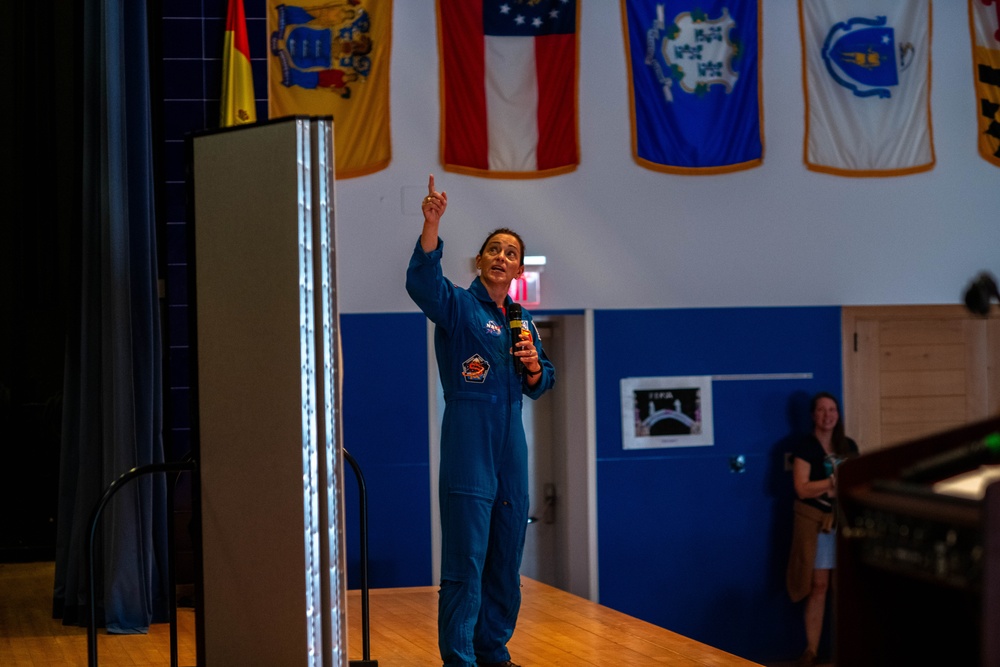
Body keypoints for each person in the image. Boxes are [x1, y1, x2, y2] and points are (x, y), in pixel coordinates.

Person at [405, 174, 555, 667]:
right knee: (466, 558)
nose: (501, 256)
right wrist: (431, 224)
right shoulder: (460, 305)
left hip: (511, 441)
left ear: (517, 269)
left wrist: (534, 364)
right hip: (470, 437)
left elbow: (543, 378)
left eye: (510, 252)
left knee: (506, 554)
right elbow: (422, 284)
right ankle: (461, 657)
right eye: (493, 249)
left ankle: (494, 650)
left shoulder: (522, 319)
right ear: (479, 261)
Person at [786, 392, 859, 667]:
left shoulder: (848, 445)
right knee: (819, 586)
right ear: (813, 415)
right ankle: (812, 650)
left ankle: (846, 649)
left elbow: (854, 480)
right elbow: (802, 488)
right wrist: (831, 483)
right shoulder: (805, 447)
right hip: (816, 524)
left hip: (843, 522)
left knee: (845, 588)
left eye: (832, 410)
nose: (828, 415)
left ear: (838, 414)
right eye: (821, 410)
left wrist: (837, 484)